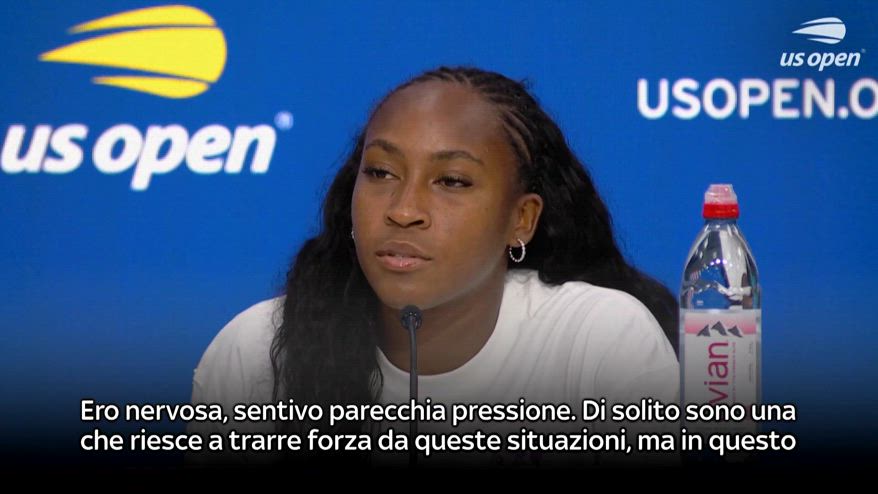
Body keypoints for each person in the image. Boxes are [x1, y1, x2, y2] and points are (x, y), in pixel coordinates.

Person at [187, 66, 680, 469]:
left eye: (452, 181)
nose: (403, 210)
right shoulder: (254, 351)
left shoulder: (599, 340)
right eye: (381, 172)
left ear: (521, 220)